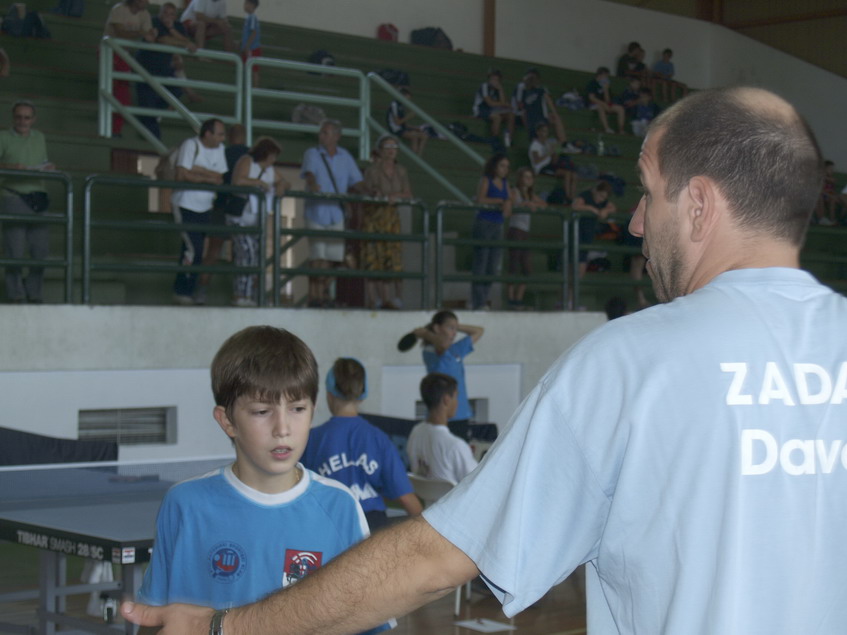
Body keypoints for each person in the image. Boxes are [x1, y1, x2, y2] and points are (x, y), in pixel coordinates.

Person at [120, 86, 839, 635]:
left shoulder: (629, 362)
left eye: (648, 194)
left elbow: (436, 559)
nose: (634, 222)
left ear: (701, 205)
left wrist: (227, 624)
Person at [134, 326, 390, 635]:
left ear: (312, 412)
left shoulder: (341, 506)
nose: (282, 428)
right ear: (228, 421)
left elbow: (370, 625)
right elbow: (155, 620)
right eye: (261, 411)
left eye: (297, 409)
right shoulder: (185, 505)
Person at [301, 357, 422, 532]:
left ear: (328, 393)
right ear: (363, 395)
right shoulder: (378, 438)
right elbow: (405, 498)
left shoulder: (312, 439)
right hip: (372, 527)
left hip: (330, 524)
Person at [300, 118, 364, 307]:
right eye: (321, 132)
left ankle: (324, 292)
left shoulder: (345, 156)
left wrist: (371, 191)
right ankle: (315, 296)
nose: (322, 136)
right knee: (318, 256)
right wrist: (312, 184)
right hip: (316, 211)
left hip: (336, 212)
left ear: (337, 136)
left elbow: (357, 181)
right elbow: (309, 173)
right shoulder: (312, 153)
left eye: (326, 132)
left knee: (335, 258)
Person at [0, 100, 55, 304]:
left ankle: (34, 293)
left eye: (27, 117)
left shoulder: (40, 137)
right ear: (13, 118)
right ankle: (16, 295)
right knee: (14, 249)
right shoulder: (3, 137)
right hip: (13, 195)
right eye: (19, 117)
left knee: (40, 251)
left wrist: (48, 167)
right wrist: (11, 166)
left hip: (38, 197)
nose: (22, 121)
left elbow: (42, 161)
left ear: (34, 119)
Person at [171, 117, 227, 305]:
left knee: (193, 250)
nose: (222, 138)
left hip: (205, 207)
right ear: (208, 134)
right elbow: (182, 174)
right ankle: (183, 291)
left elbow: (220, 177)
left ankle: (185, 289)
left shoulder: (220, 150)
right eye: (219, 134)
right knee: (194, 248)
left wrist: (197, 170)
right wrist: (208, 177)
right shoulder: (190, 145)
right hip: (185, 204)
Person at [227, 136, 285, 307]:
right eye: (272, 155)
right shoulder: (247, 161)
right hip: (239, 218)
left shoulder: (270, 170)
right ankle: (240, 295)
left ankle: (254, 295)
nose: (274, 160)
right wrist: (259, 183)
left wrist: (281, 186)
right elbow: (238, 180)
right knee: (247, 254)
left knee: (258, 257)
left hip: (257, 221)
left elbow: (283, 181)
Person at [195, 123, 249, 301]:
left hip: (221, 206)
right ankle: (241, 293)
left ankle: (201, 292)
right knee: (241, 253)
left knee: (213, 251)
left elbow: (214, 178)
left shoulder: (222, 154)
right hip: (241, 209)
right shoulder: (250, 156)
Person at [361, 134, 412, 310]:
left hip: (392, 217)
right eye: (387, 147)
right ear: (381, 150)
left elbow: (407, 193)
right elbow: (366, 191)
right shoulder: (372, 170)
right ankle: (375, 298)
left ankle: (396, 298)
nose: (391, 151)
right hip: (375, 217)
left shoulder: (401, 171)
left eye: (394, 147)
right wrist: (376, 193)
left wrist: (394, 196)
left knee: (394, 257)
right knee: (374, 256)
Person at [135, 1, 198, 140]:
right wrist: (183, 43)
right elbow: (163, 40)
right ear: (159, 12)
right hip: (145, 68)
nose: (167, 16)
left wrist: (172, 31)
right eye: (165, 13)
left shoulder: (178, 26)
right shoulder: (153, 21)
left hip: (164, 70)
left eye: (171, 14)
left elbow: (187, 42)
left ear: (175, 16)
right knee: (148, 103)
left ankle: (149, 121)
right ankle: (151, 138)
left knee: (177, 90)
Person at [412, 310, 483, 425]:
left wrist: (456, 326)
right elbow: (442, 344)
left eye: (455, 329)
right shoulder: (429, 351)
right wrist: (426, 334)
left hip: (461, 414)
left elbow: (479, 331)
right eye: (450, 328)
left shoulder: (456, 349)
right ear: (437, 328)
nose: (454, 333)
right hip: (440, 416)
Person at [407, 373, 478, 485]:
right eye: (456, 396)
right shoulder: (456, 446)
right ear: (446, 400)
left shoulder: (415, 433)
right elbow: (479, 483)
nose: (457, 402)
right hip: (453, 502)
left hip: (427, 501)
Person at [103, 0, 155, 137]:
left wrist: (152, 34)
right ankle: (112, 128)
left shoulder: (145, 15)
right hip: (110, 51)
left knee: (122, 92)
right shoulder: (119, 9)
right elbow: (119, 32)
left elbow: (148, 35)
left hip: (126, 54)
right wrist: (142, 33)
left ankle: (115, 129)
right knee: (117, 91)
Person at [470, 153, 511, 310]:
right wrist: (500, 201)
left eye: (507, 167)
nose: (505, 169)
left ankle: (484, 298)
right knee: (481, 261)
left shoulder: (505, 183)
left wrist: (507, 202)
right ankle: (478, 301)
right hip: (484, 222)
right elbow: (480, 199)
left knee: (492, 265)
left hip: (498, 224)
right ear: (494, 166)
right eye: (502, 166)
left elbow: (509, 199)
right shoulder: (486, 180)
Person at [506, 167, 546, 309]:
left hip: (525, 231)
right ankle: (511, 298)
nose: (528, 180)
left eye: (531, 177)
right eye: (526, 177)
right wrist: (524, 204)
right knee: (514, 264)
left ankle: (519, 297)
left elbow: (543, 204)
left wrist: (532, 203)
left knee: (526, 267)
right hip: (515, 229)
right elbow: (509, 205)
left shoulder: (530, 194)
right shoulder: (514, 191)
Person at [514, 68, 579, 152]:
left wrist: (528, 126)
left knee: (555, 122)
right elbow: (549, 102)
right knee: (556, 121)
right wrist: (555, 114)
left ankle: (563, 145)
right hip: (540, 122)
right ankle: (564, 144)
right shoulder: (539, 91)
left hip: (534, 123)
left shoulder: (527, 93)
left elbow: (524, 113)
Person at [571, 181, 616, 278]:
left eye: (604, 198)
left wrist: (605, 210)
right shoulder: (586, 195)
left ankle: (575, 290)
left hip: (588, 234)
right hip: (576, 232)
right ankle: (568, 291)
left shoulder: (602, 201)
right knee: (573, 260)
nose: (601, 199)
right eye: (600, 196)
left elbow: (612, 208)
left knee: (583, 259)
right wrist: (591, 208)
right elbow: (575, 206)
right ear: (595, 190)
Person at [529, 121, 577, 201]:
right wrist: (549, 153)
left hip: (551, 166)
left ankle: (572, 197)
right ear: (538, 132)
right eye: (543, 131)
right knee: (567, 174)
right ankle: (567, 197)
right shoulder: (534, 145)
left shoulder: (547, 143)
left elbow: (555, 157)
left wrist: (556, 150)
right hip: (542, 168)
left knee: (574, 174)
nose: (545, 134)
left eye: (546, 131)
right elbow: (536, 160)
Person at [471, 69, 514, 148]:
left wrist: (501, 90)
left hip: (493, 109)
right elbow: (489, 102)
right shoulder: (484, 86)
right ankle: (494, 139)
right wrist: (504, 104)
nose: (494, 81)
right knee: (497, 117)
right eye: (493, 79)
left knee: (510, 115)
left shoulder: (497, 89)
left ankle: (509, 139)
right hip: (481, 109)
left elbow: (503, 103)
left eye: (496, 79)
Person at [386, 87, 427, 156]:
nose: (408, 101)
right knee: (414, 136)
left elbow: (403, 123)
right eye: (407, 98)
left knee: (424, 135)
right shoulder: (394, 104)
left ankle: (419, 155)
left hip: (402, 127)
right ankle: (415, 156)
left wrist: (415, 127)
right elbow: (397, 122)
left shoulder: (401, 105)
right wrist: (409, 116)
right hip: (395, 129)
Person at [586, 67, 626, 135]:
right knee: (600, 107)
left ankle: (621, 130)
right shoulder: (592, 83)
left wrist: (606, 90)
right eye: (606, 76)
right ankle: (606, 128)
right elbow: (591, 98)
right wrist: (604, 104)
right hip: (594, 104)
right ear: (600, 75)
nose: (607, 78)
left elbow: (608, 100)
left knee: (620, 108)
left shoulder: (605, 85)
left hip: (606, 104)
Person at [240, 0, 261, 87]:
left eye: (246, 3)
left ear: (252, 5)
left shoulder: (252, 17)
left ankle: (255, 88)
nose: (244, 5)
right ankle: (246, 86)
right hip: (247, 47)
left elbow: (253, 32)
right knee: (245, 68)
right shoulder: (248, 17)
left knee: (254, 70)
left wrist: (247, 46)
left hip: (252, 49)